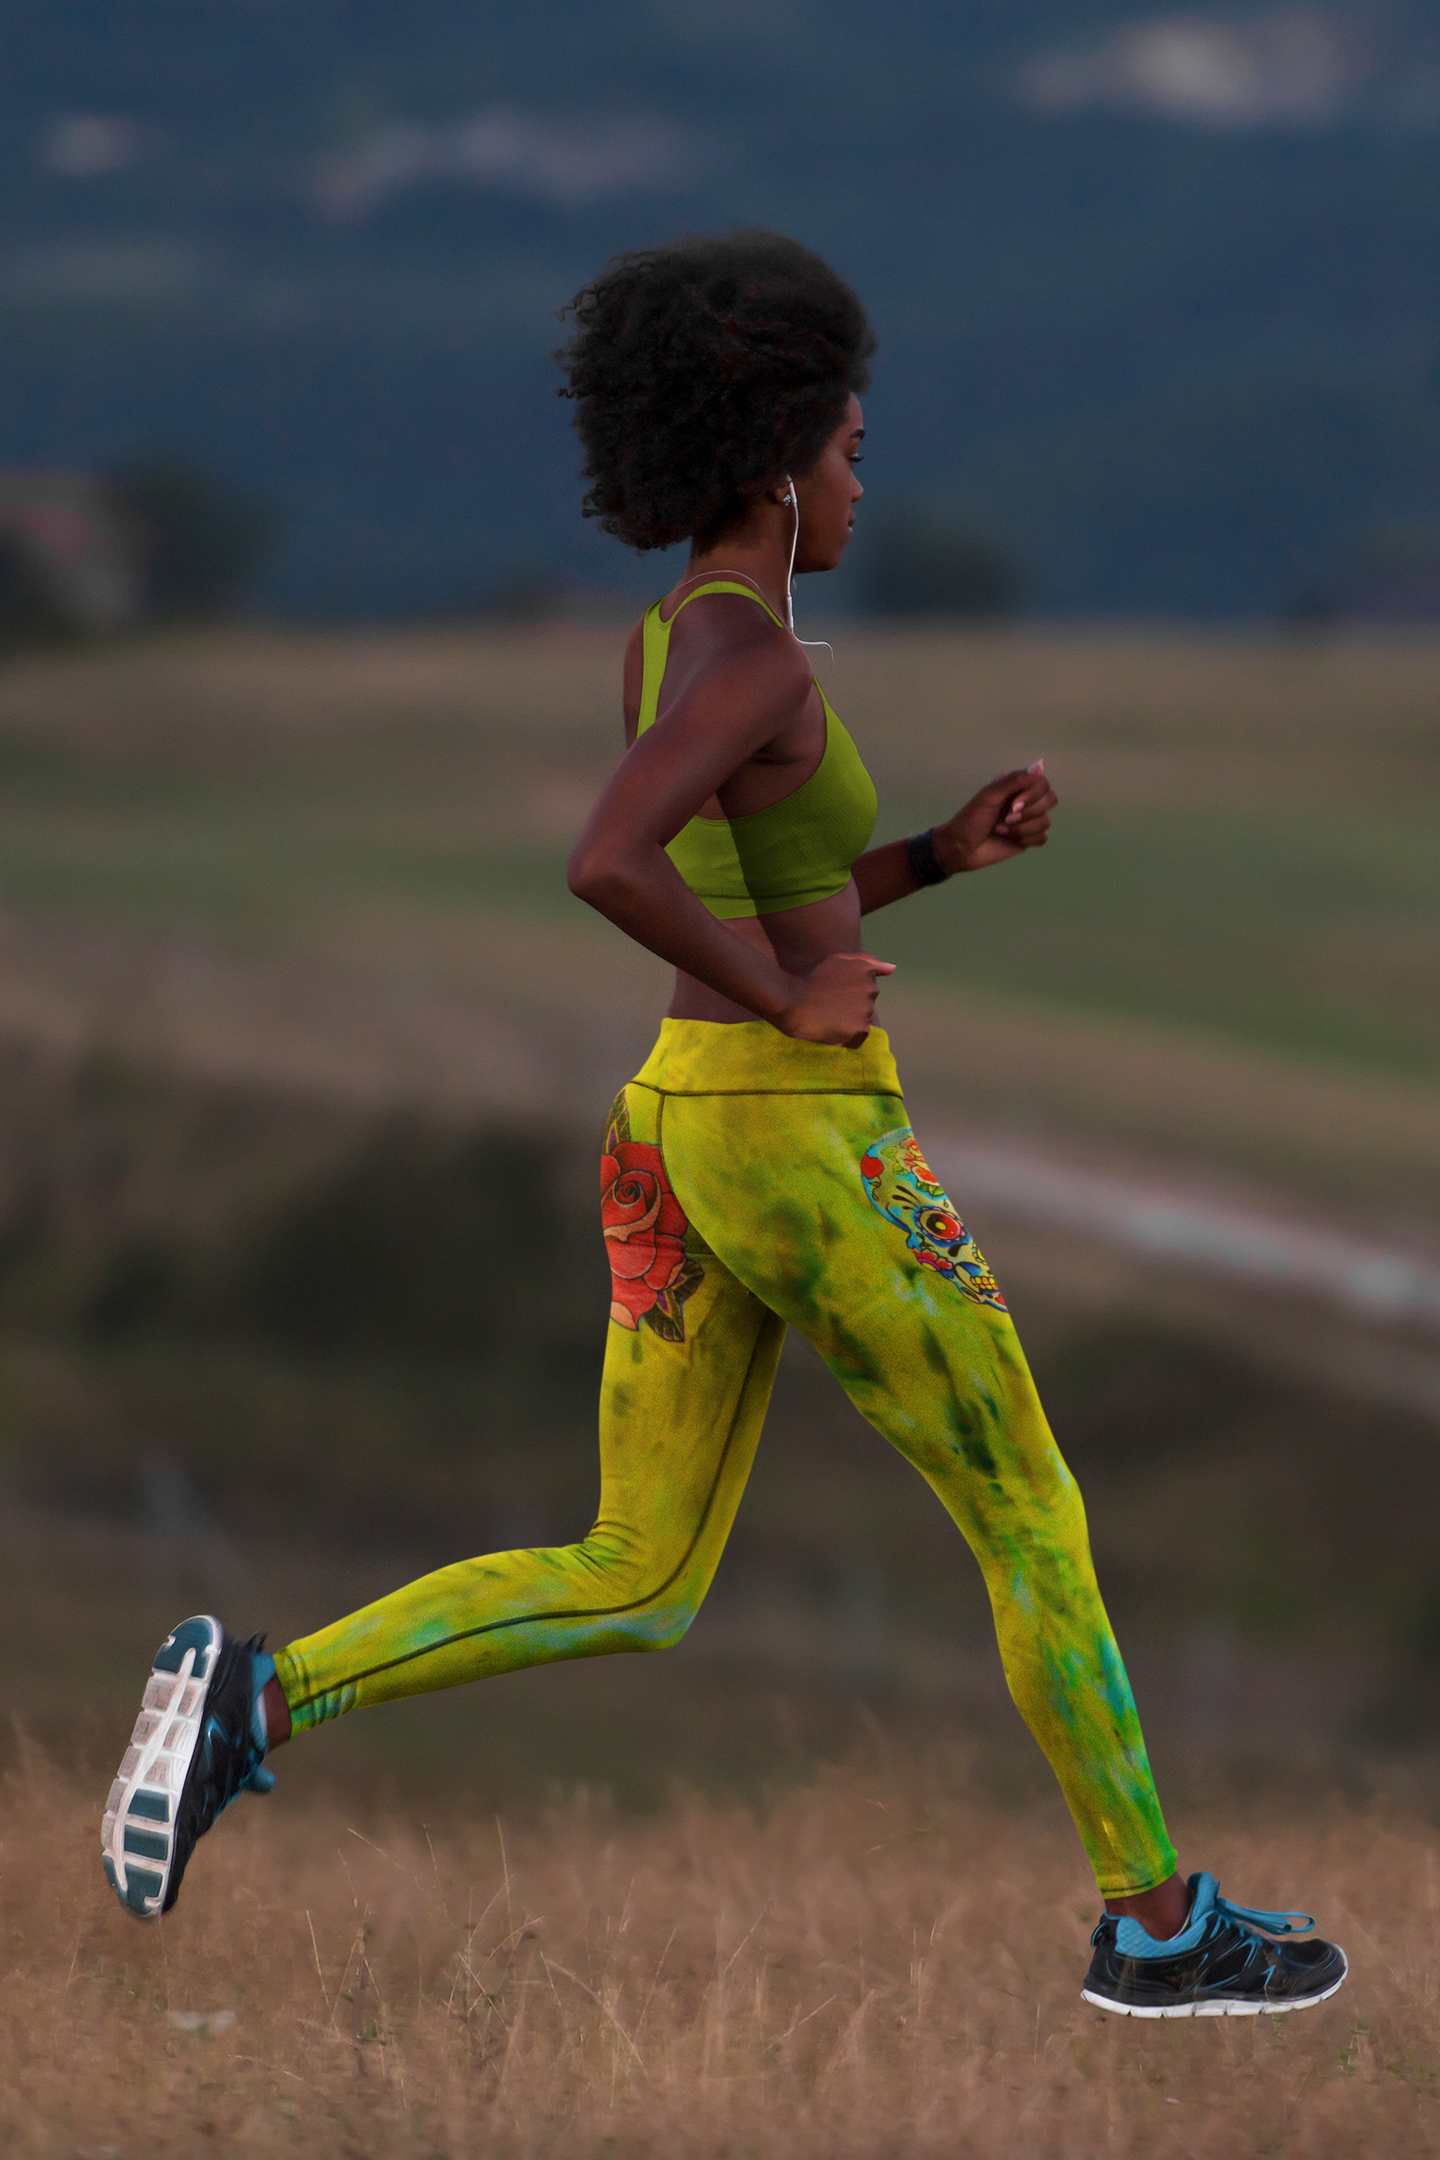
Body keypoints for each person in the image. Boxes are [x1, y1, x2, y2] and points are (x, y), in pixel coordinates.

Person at [100, 229, 1346, 2019]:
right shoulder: (753, 658)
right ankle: (1159, 1933)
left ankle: (256, 1697)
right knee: (1031, 1518)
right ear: (778, 452)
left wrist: (934, 858)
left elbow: (761, 880)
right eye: (851, 448)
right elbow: (610, 860)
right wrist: (790, 1003)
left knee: (639, 1570)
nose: (859, 478)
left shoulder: (675, 638)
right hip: (795, 1141)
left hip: (675, 1125)